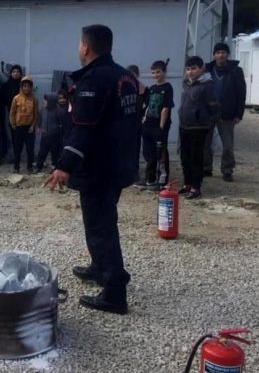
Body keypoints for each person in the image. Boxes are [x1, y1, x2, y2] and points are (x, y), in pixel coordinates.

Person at [43, 25, 140, 315]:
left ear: (85, 47)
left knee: (101, 228)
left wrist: (64, 166)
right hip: (120, 163)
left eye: (78, 43)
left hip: (100, 167)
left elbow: (84, 128)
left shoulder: (94, 80)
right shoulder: (127, 76)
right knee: (102, 219)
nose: (78, 48)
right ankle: (99, 267)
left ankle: (114, 292)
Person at [203, 42, 246, 182]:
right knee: (205, 143)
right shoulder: (207, 70)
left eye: (223, 52)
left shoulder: (236, 71)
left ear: (227, 54)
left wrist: (239, 113)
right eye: (218, 52)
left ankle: (227, 170)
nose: (220, 55)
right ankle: (206, 168)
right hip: (208, 112)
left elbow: (241, 92)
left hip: (227, 112)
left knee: (227, 145)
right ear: (214, 55)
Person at [178, 56, 220, 200]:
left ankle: (196, 187)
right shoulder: (187, 84)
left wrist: (204, 120)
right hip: (184, 126)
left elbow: (214, 108)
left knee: (196, 159)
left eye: (194, 68)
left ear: (201, 68)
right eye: (188, 69)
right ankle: (187, 184)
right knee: (185, 157)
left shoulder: (207, 86)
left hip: (199, 128)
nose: (190, 72)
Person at [136, 59, 174, 190]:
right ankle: (149, 179)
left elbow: (165, 108)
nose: (156, 75)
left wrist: (161, 128)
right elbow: (146, 106)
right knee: (148, 154)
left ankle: (162, 181)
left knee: (160, 154)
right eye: (153, 72)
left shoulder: (167, 88)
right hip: (148, 126)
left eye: (158, 72)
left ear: (164, 72)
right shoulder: (151, 89)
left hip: (159, 127)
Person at [9, 76, 39, 174]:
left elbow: (36, 114)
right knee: (18, 149)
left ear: (31, 87)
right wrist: (13, 123)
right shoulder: (16, 98)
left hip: (29, 128)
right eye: (24, 86)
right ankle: (16, 167)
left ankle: (29, 167)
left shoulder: (34, 99)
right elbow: (12, 112)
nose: (26, 88)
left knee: (30, 149)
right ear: (21, 87)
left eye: (28, 86)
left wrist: (32, 126)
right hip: (18, 127)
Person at [36, 91, 69, 173]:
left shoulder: (58, 111)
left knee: (55, 153)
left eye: (46, 100)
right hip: (44, 136)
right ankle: (38, 167)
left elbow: (62, 123)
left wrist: (59, 132)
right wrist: (39, 127)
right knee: (42, 152)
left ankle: (55, 167)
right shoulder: (42, 110)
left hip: (55, 137)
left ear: (51, 101)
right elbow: (39, 119)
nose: (44, 102)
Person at [0, 64, 23, 159]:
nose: (16, 73)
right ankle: (15, 154)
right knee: (13, 135)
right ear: (10, 73)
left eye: (17, 72)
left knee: (23, 135)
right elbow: (2, 101)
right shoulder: (6, 86)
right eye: (13, 72)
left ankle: (21, 153)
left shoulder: (24, 85)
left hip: (25, 114)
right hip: (11, 113)